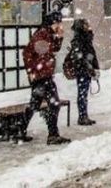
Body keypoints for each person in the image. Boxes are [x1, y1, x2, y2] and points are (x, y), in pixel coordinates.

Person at [22, 11, 70, 145]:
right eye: (58, 23)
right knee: (53, 104)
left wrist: (59, 37)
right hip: (42, 76)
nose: (60, 25)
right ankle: (52, 135)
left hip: (42, 76)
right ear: (53, 22)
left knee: (35, 104)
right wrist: (38, 69)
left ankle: (20, 130)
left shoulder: (46, 33)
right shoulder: (42, 34)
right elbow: (41, 53)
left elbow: (53, 48)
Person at [68, 19, 100, 126]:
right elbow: (80, 56)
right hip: (82, 70)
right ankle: (82, 116)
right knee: (82, 93)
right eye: (86, 25)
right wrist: (88, 65)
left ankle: (84, 115)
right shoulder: (78, 40)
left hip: (86, 69)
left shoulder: (85, 38)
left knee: (84, 93)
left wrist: (93, 66)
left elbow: (90, 53)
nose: (88, 26)